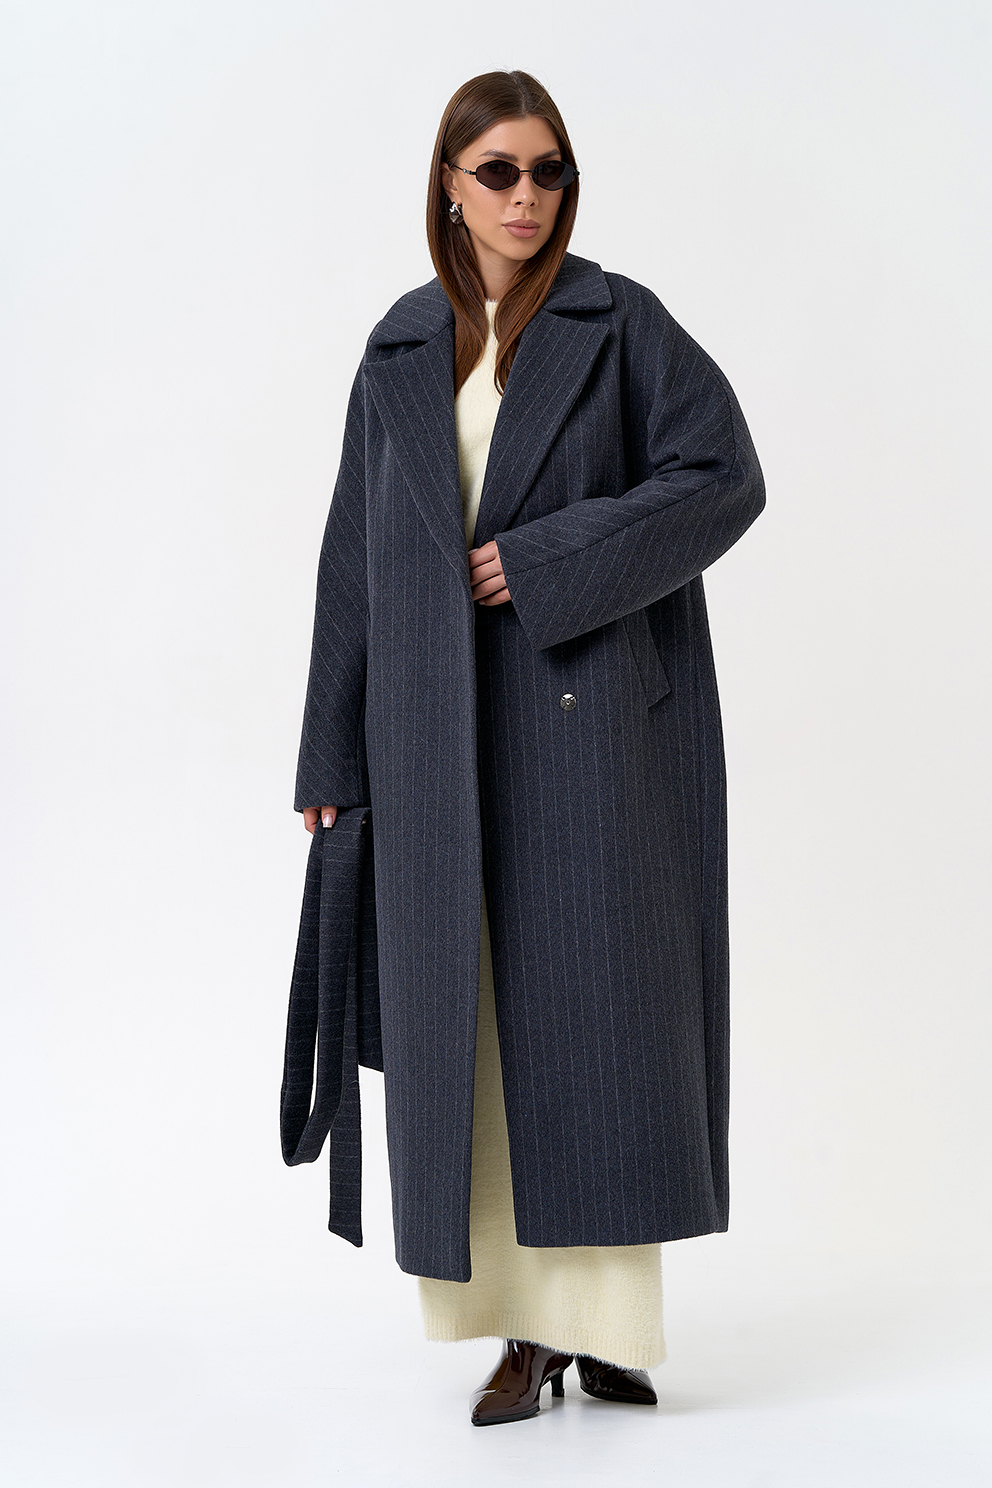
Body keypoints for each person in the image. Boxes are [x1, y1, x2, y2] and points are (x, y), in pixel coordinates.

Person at [295, 69, 765, 1427]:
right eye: (497, 171)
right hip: (433, 740)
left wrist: (548, 561)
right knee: (476, 1026)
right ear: (449, 185)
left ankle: (600, 1330)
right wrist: (330, 754)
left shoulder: (621, 324)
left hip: (593, 729)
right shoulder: (401, 345)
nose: (526, 196)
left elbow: (723, 477)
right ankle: (519, 1328)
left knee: (601, 1024)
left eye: (549, 171)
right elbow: (352, 560)